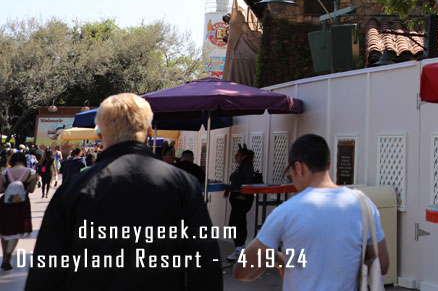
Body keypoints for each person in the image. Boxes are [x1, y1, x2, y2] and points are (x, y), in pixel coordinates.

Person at [26, 93, 222, 290]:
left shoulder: (74, 189)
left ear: (100, 136)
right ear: (148, 131)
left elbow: (46, 268)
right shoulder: (183, 185)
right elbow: (205, 264)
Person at [233, 133, 389, 290]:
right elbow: (382, 265)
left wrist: (277, 259)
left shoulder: (285, 212)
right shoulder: (364, 205)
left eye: (290, 174)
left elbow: (242, 272)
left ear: (299, 168)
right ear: (328, 165)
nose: (292, 179)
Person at [0, 152, 38, 270]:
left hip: (5, 204)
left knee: (4, 230)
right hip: (22, 204)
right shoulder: (31, 173)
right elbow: (31, 190)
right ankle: (8, 257)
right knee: (15, 230)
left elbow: (1, 189)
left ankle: (5, 255)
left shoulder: (4, 172)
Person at [225, 146, 256, 257]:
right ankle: (239, 247)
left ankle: (239, 248)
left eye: (238, 155)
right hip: (237, 199)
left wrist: (243, 195)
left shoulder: (246, 168)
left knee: (236, 223)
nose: (236, 157)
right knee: (238, 223)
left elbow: (247, 181)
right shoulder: (242, 167)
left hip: (241, 200)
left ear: (244, 156)